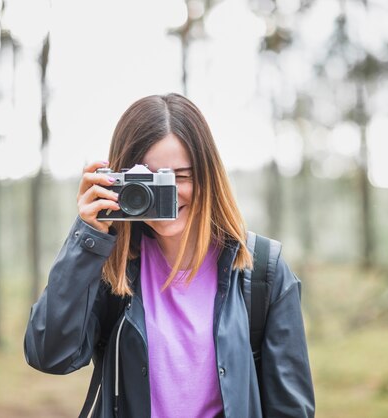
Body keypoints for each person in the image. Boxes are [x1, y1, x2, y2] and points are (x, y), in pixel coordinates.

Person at [24, 93, 315, 418]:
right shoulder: (110, 270)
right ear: (121, 181)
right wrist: (86, 240)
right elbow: (49, 355)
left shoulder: (262, 272)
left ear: (208, 176)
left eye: (181, 176)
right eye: (149, 179)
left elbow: (290, 410)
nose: (168, 193)